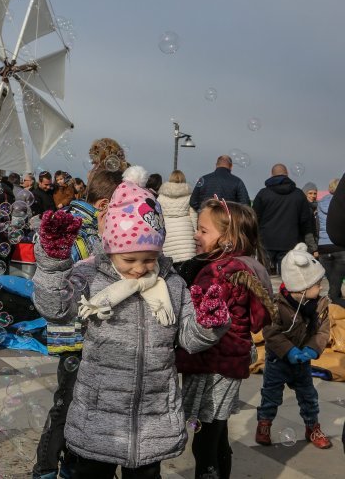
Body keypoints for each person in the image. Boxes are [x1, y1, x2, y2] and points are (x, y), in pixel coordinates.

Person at [32, 166, 229, 478]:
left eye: (149, 260)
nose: (140, 269)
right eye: (130, 260)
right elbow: (55, 308)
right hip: (99, 420)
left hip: (153, 420)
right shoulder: (91, 275)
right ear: (110, 249)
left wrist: (209, 321)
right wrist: (54, 265)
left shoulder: (172, 284)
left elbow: (191, 339)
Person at [175, 197, 274, 479]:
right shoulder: (240, 267)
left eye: (203, 231)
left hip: (212, 366)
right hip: (227, 365)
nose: (196, 234)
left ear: (228, 239)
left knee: (205, 443)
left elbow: (197, 323)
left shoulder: (217, 275)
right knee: (216, 435)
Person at [31, 168, 121, 479]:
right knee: (66, 405)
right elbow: (60, 281)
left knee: (81, 408)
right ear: (105, 204)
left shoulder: (95, 227)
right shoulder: (75, 228)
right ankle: (44, 467)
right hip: (74, 332)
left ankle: (70, 464)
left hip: (92, 333)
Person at [255, 243, 332, 449]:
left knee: (309, 397)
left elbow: (323, 331)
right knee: (271, 395)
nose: (321, 287)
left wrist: (312, 348)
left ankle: (312, 427)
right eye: (317, 284)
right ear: (302, 287)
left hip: (302, 362)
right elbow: (270, 332)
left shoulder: (320, 305)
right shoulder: (276, 305)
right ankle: (264, 423)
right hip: (277, 360)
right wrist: (288, 350)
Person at [252, 164, 317, 273]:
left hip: (266, 241)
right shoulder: (298, 194)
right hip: (291, 242)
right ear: (287, 174)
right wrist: (311, 245)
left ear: (271, 175)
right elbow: (306, 221)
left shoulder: (263, 194)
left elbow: (254, 218)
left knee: (263, 278)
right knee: (288, 278)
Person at [158, 169, 198, 264]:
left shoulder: (161, 197)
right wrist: (196, 233)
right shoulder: (189, 197)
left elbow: (159, 219)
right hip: (186, 233)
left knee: (170, 264)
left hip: (168, 234)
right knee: (187, 264)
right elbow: (193, 217)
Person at [317, 178, 345, 307]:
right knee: (336, 286)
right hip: (339, 246)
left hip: (323, 246)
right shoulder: (341, 203)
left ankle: (332, 309)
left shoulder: (320, 203)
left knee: (332, 284)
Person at [302, 182, 320, 246]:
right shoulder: (302, 208)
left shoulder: (319, 208)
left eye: (315, 193)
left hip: (317, 242)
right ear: (304, 194)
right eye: (310, 193)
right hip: (305, 244)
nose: (313, 196)